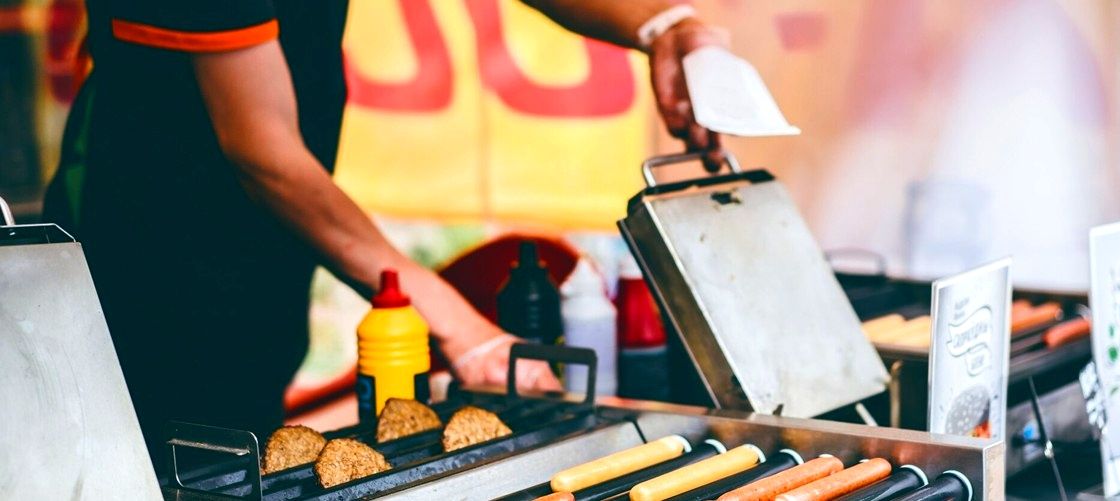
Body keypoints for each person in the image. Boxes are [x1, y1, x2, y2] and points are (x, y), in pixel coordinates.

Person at [42, 0, 725, 473]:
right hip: (138, 269)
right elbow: (261, 151)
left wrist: (663, 24)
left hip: (262, 263)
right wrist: (463, 327)